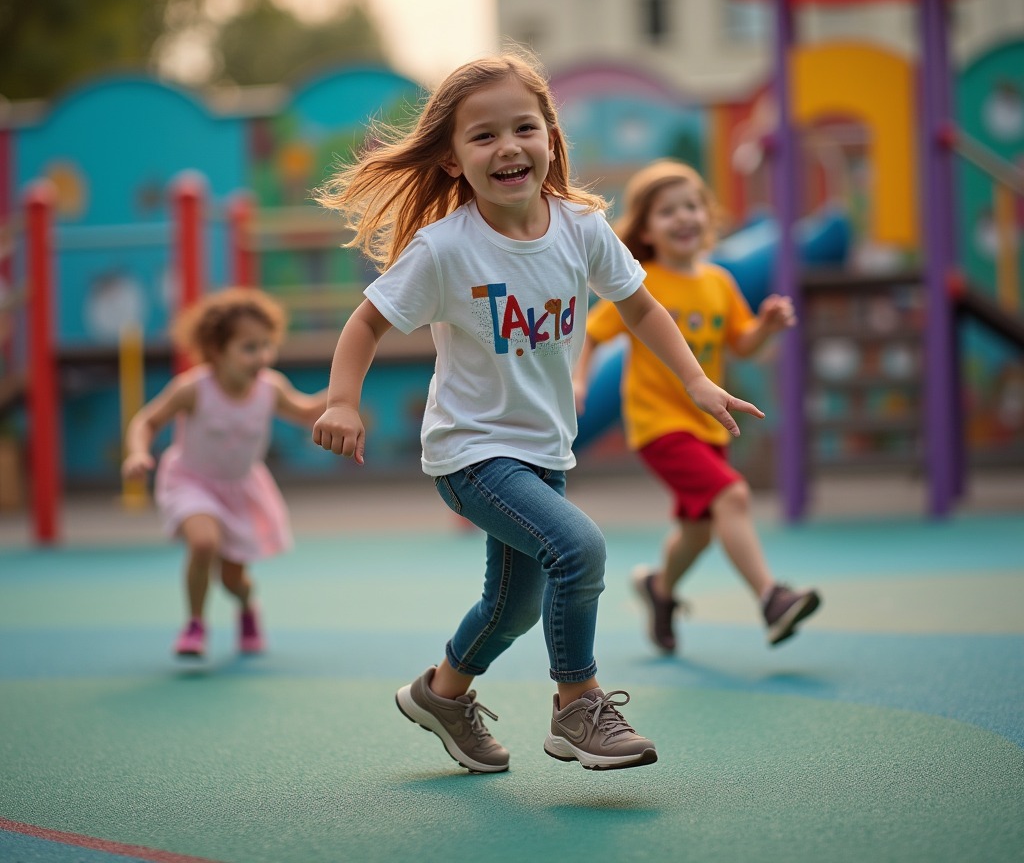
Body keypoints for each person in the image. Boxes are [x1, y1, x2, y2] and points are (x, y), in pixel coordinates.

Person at [311, 53, 765, 773]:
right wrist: (342, 400)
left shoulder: (581, 228)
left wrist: (695, 380)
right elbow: (367, 322)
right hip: (471, 452)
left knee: (514, 607)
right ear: (453, 160)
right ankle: (577, 706)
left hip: (544, 449)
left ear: (551, 136)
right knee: (579, 548)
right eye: (483, 136)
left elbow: (642, 307)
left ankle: (442, 694)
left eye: (524, 128)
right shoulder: (445, 249)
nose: (508, 147)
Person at [574, 160, 821, 656]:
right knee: (732, 496)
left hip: (706, 425)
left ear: (707, 217)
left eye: (691, 207)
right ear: (646, 230)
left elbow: (741, 343)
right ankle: (771, 599)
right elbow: (593, 333)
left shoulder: (719, 283)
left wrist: (766, 327)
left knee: (699, 530)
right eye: (668, 212)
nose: (684, 217)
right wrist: (579, 380)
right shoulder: (641, 284)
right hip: (658, 425)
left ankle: (659, 589)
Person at [122, 287, 327, 660]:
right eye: (249, 348)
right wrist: (138, 452)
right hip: (191, 481)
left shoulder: (270, 388)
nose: (261, 356)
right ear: (217, 351)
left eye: (267, 345)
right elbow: (146, 421)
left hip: (240, 490)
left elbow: (307, 411)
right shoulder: (193, 389)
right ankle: (195, 625)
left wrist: (345, 389)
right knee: (203, 543)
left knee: (234, 579)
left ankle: (247, 605)